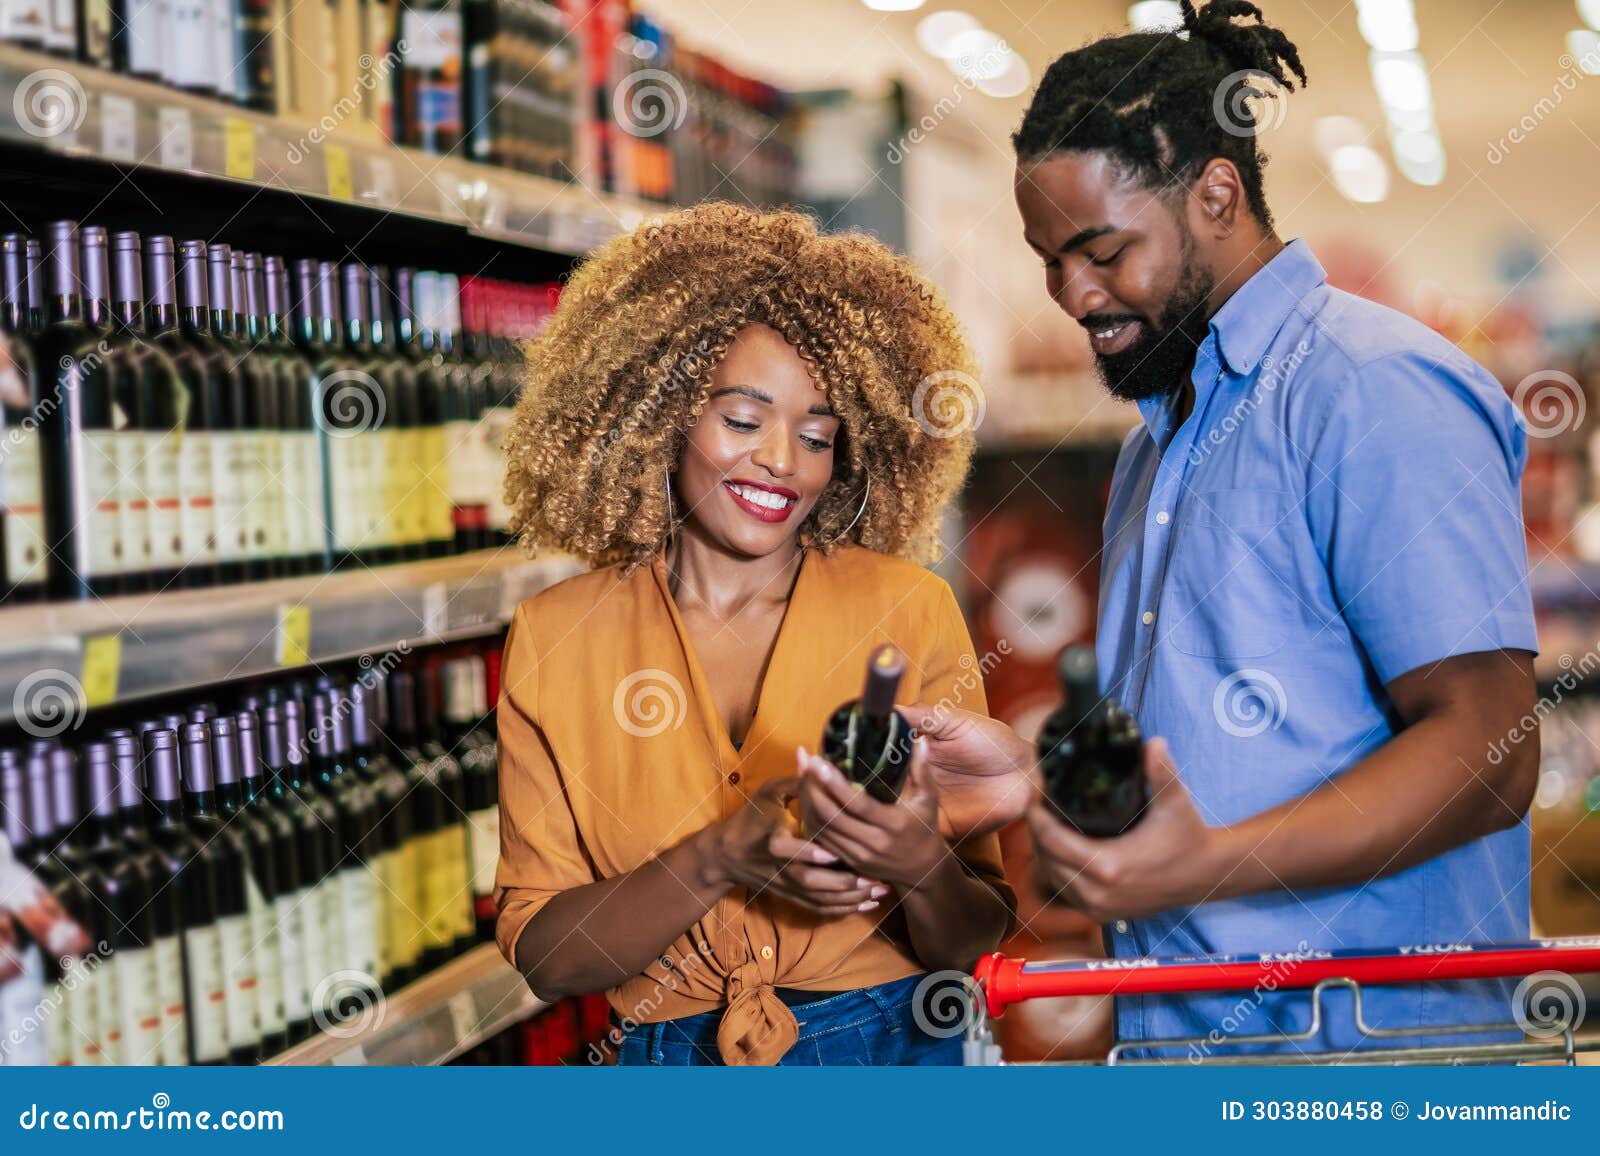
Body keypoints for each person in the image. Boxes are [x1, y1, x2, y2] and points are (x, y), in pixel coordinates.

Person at [912, 0, 1539, 1057]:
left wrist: (1205, 864)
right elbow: (1206, 750)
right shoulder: (1161, 441)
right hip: (1189, 1045)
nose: (1073, 292)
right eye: (1048, 258)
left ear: (1215, 194)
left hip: (1372, 1060)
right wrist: (1032, 779)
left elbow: (1488, 747)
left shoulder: (1372, 390)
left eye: (1104, 250)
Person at [492, 201, 1015, 1066]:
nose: (783, 461)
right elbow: (547, 958)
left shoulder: (907, 607)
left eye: (817, 436)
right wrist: (722, 856)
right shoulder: (558, 637)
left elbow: (975, 935)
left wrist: (917, 858)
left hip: (900, 1049)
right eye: (743, 421)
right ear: (654, 417)